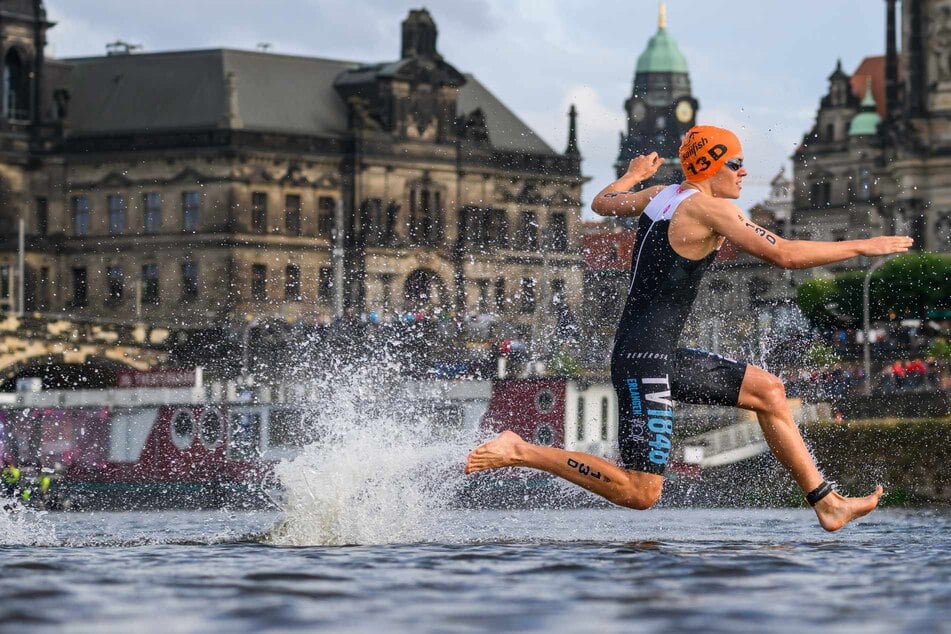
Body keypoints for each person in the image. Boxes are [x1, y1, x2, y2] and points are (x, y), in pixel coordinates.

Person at [465, 125, 913, 531]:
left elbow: (603, 203)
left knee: (769, 392)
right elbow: (786, 254)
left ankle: (826, 503)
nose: (744, 172)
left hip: (656, 354)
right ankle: (522, 450)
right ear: (712, 166)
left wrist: (632, 175)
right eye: (736, 164)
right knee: (642, 492)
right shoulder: (709, 210)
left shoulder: (661, 194)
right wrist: (862, 245)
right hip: (645, 361)